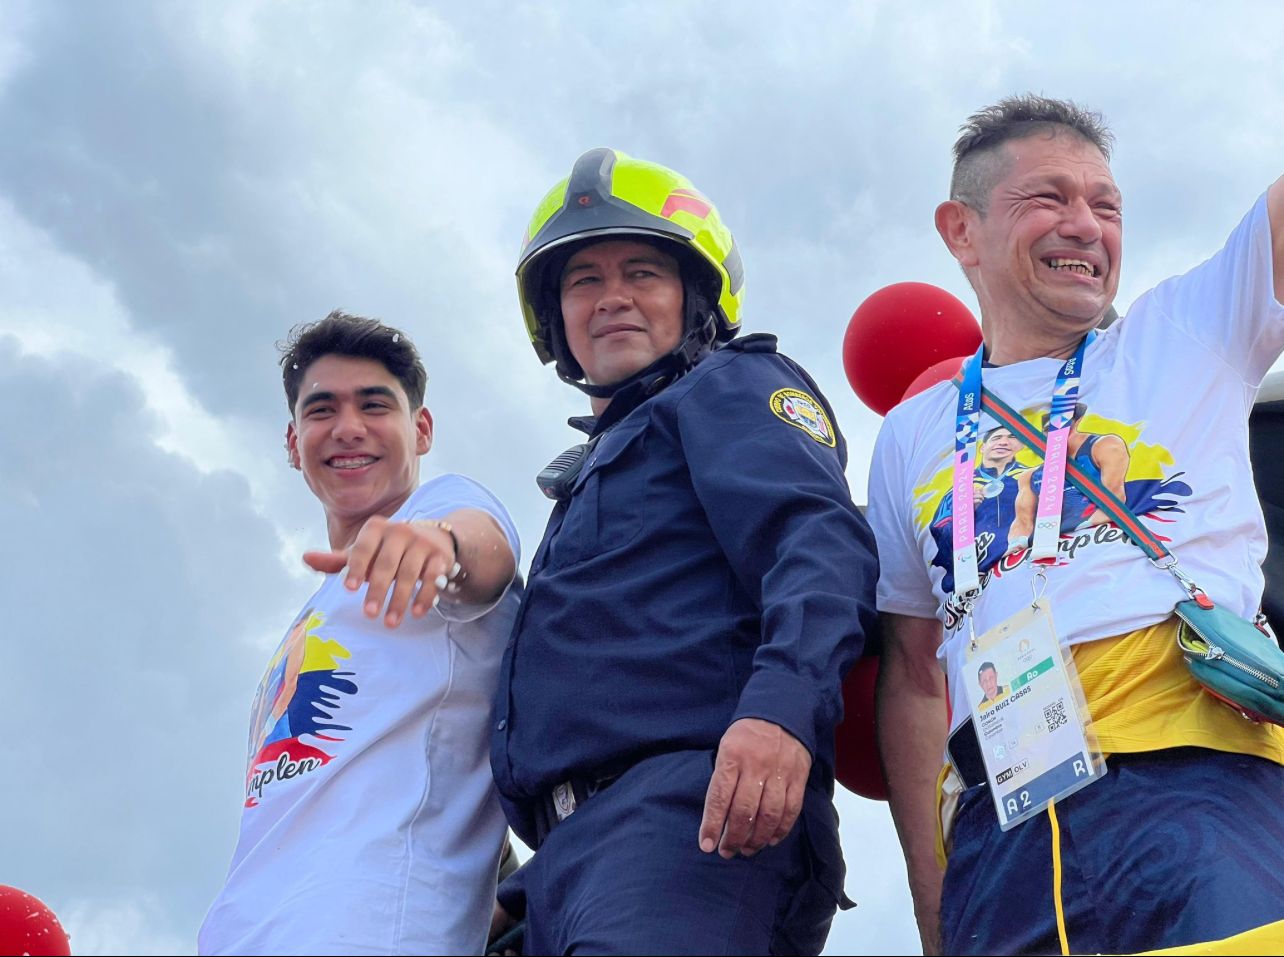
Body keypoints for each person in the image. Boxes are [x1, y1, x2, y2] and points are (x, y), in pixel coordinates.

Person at [867, 94, 1284, 954]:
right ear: (962, 230)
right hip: (1000, 829)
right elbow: (911, 674)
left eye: (1106, 206)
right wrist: (931, 897)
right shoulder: (911, 432)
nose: (1085, 225)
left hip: (1197, 778)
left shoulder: (1188, 329)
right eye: (1048, 199)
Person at [490, 148, 879, 955]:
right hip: (573, 860)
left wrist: (782, 710)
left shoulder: (729, 386)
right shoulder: (592, 474)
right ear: (554, 315)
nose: (613, 299)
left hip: (694, 819)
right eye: (584, 281)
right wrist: (525, 890)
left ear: (695, 295)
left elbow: (818, 539)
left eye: (642, 272)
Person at [199, 311, 522, 956]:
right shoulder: (314, 615)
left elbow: (485, 558)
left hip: (371, 928)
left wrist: (442, 546)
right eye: (322, 410)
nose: (348, 428)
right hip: (246, 929)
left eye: (375, 405)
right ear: (294, 443)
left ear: (420, 429)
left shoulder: (443, 509)